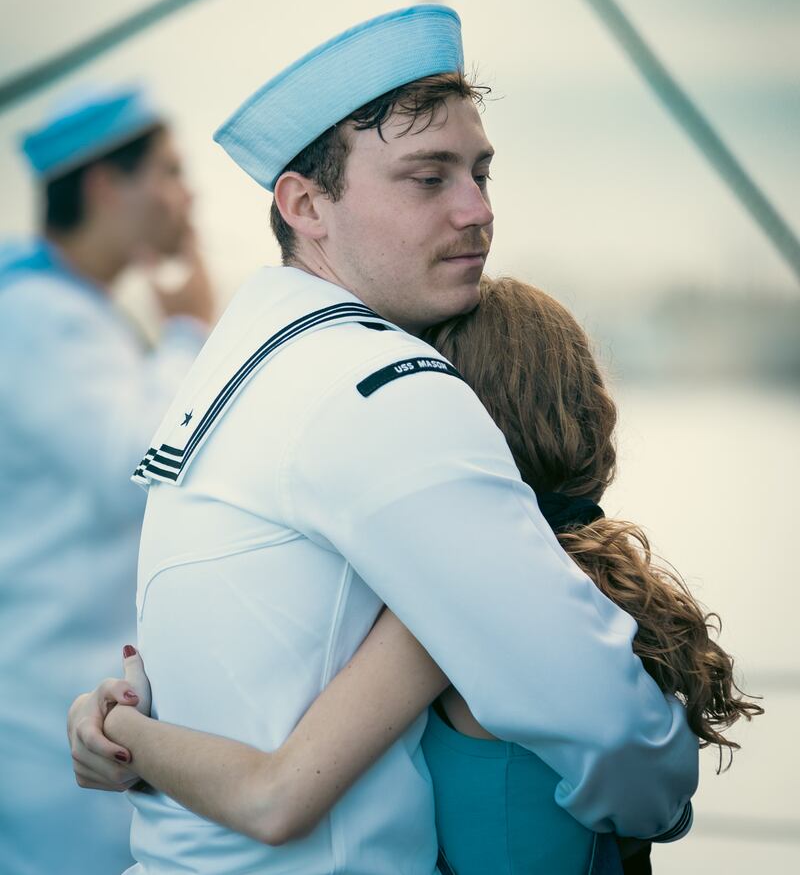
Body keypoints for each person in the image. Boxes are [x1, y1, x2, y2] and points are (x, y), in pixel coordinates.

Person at [68, 6, 698, 874]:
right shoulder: (378, 389)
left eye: (480, 171)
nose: (477, 210)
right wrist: (665, 792)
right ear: (306, 205)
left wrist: (121, 726)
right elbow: (606, 724)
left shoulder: (230, 374)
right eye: (428, 178)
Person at [74, 276, 763, 874]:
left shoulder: (444, 614)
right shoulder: (593, 594)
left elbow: (273, 795)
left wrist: (123, 730)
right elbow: (650, 798)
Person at [0, 88, 214, 875]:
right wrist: (190, 327)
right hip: (41, 721)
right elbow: (139, 468)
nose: (186, 196)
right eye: (167, 172)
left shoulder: (65, 308)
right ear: (102, 188)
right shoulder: (35, 317)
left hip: (66, 708)